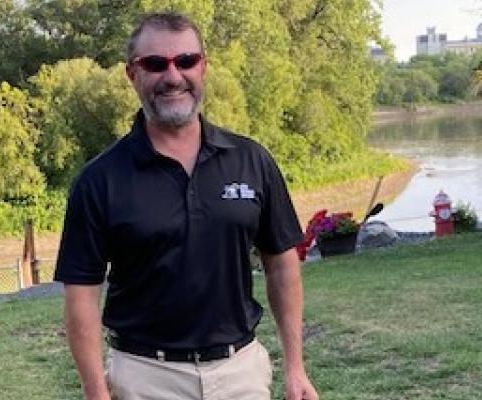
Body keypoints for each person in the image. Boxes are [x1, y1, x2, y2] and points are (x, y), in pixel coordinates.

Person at [55, 12, 318, 400]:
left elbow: (281, 265)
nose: (173, 76)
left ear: (203, 67)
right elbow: (82, 295)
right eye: (155, 64)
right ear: (133, 74)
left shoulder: (251, 160)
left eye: (186, 61)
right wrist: (96, 391)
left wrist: (295, 368)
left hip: (240, 373)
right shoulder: (100, 179)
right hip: (144, 378)